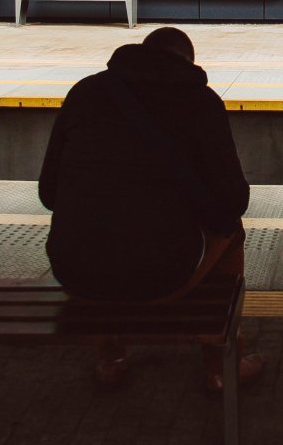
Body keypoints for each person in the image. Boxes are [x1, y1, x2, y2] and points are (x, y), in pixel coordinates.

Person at [38, 26, 262, 392]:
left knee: (105, 233)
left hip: (75, 273)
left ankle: (111, 360)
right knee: (231, 231)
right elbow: (233, 201)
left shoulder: (85, 93)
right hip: (162, 275)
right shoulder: (199, 102)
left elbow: (49, 193)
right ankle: (221, 366)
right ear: (187, 64)